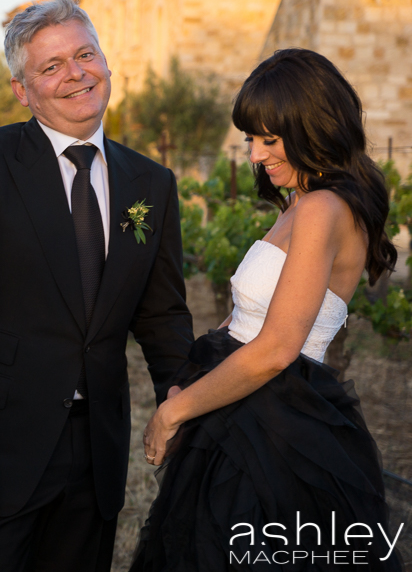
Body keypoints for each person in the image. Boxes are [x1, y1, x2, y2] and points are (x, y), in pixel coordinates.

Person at [0, 0, 193, 571]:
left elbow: (162, 315)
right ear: (23, 90)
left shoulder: (152, 183)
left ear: (107, 63)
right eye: (52, 66)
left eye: (85, 54)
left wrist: (185, 405)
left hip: (98, 453)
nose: (77, 74)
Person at [132, 48, 403, 571]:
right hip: (246, 411)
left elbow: (278, 349)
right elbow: (247, 320)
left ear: (312, 126)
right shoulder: (303, 202)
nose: (255, 155)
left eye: (268, 140)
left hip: (277, 429)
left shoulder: (323, 209)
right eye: (250, 139)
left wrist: (172, 414)